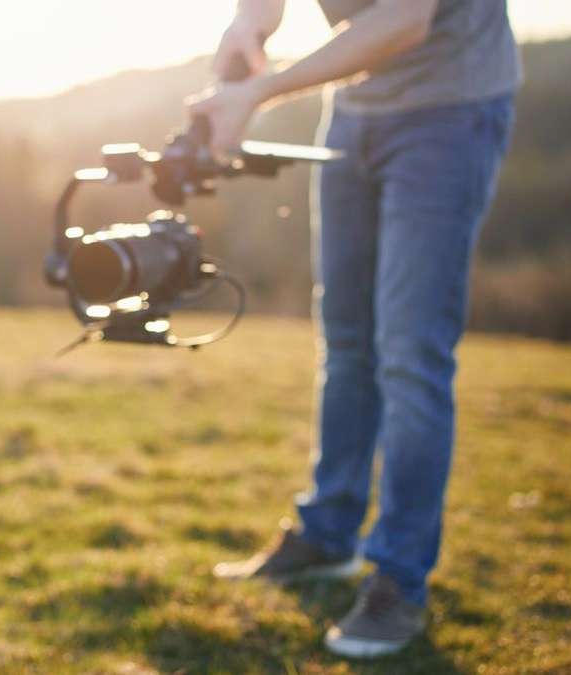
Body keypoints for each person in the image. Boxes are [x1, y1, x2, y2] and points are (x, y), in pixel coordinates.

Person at [187, 0, 520, 659]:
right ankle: (329, 533)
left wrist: (260, 90)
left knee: (409, 351)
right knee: (345, 342)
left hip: (448, 110)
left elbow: (404, 19)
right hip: (354, 112)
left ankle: (398, 575)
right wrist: (248, 28)